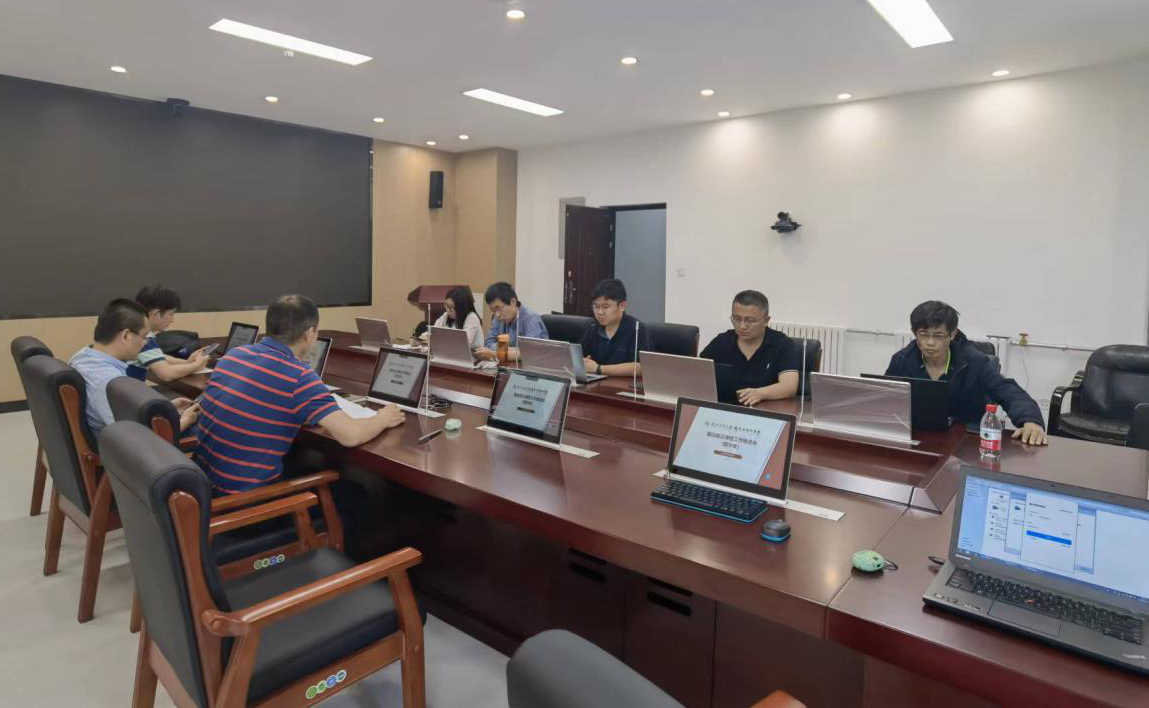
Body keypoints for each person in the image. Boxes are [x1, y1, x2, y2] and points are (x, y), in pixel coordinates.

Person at [194, 294, 406, 495]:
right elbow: (351, 435)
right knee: (357, 492)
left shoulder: (234, 355)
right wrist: (383, 418)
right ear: (309, 333)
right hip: (242, 503)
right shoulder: (298, 376)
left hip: (201, 487)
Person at [885, 300, 1048, 445]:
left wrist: (1030, 420)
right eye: (924, 335)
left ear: (952, 334)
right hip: (918, 437)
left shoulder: (974, 361)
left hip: (966, 440)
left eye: (938, 336)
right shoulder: (902, 360)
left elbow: (1007, 390)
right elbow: (884, 397)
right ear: (914, 332)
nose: (930, 342)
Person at [69, 299, 199, 434]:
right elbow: (136, 439)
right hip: (117, 444)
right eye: (144, 336)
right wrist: (184, 421)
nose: (145, 343)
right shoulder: (109, 382)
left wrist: (168, 409)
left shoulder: (82, 356)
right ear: (126, 336)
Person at [700, 290, 801, 405]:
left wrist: (760, 393)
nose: (742, 326)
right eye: (737, 319)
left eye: (750, 321)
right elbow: (696, 373)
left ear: (766, 320)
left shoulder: (783, 344)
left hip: (764, 410)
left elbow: (789, 387)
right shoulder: (722, 341)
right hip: (724, 407)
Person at [127, 284, 211, 382]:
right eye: (171, 314)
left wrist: (187, 362)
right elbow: (167, 374)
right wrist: (196, 365)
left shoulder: (132, 328)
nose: (172, 320)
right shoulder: (143, 338)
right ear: (156, 314)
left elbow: (158, 356)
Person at [579, 278, 650, 377]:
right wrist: (582, 362)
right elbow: (579, 358)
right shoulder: (593, 328)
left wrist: (598, 368)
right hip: (596, 383)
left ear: (622, 306)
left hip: (624, 384)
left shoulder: (637, 329)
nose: (600, 312)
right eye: (596, 306)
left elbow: (641, 367)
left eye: (605, 307)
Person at [476, 282, 548, 362]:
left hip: (533, 366)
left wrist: (496, 354)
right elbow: (488, 343)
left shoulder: (531, 319)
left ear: (513, 302)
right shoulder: (498, 318)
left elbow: (530, 352)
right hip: (507, 366)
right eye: (493, 310)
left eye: (498, 308)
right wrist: (511, 351)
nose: (497, 314)